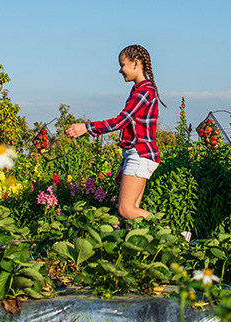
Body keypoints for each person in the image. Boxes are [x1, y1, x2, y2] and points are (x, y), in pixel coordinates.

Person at [66, 45, 163, 222]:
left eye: (122, 65)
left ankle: (174, 237)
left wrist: (86, 128)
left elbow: (121, 121)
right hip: (138, 154)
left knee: (126, 210)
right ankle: (143, 247)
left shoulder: (144, 91)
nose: (120, 70)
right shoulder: (139, 90)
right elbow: (131, 134)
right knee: (132, 216)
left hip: (141, 154)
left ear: (135, 63)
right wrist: (123, 164)